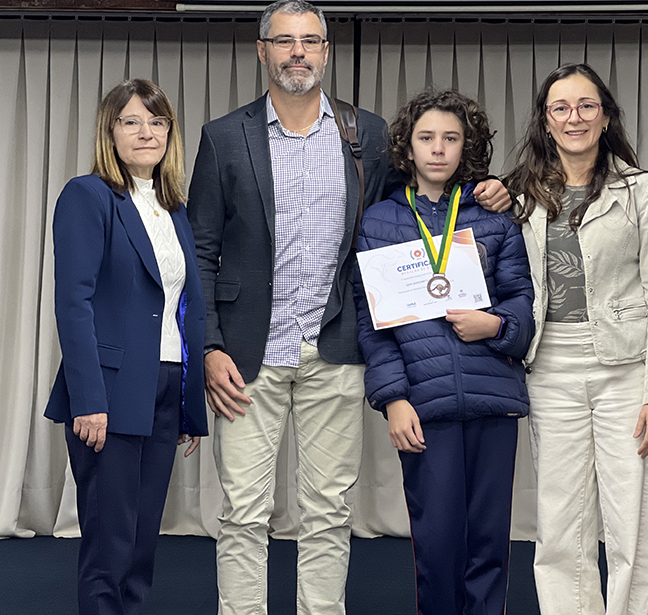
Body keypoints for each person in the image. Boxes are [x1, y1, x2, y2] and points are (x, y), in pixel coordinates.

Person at [185, 2, 510, 613]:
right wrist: (208, 346)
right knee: (244, 513)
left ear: (326, 51)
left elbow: (415, 212)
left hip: (336, 349)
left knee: (328, 513)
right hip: (246, 357)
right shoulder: (224, 137)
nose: (298, 52)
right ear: (263, 50)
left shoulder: (368, 134)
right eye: (286, 41)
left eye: (311, 41)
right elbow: (201, 250)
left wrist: (487, 190)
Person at [506, 63, 648, 615]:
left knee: (631, 519)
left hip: (628, 367)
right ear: (546, 121)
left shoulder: (642, 189)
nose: (574, 117)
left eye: (586, 105)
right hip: (549, 365)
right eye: (560, 107)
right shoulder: (519, 194)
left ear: (605, 117)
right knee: (560, 522)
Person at [353, 89, 534, 615]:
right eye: (426, 137)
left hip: (492, 399)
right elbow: (373, 324)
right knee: (436, 543)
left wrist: (496, 326)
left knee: (489, 541)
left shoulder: (494, 216)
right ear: (406, 147)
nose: (438, 149)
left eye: (451, 138)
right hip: (423, 405)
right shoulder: (379, 221)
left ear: (466, 146)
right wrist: (393, 400)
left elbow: (522, 301)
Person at [43, 78, 207, 615]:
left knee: (141, 542)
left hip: (166, 384)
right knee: (110, 540)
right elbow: (74, 305)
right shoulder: (88, 196)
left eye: (157, 122)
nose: (146, 133)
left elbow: (183, 306)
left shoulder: (174, 209)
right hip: (110, 391)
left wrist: (187, 400)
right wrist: (89, 399)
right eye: (131, 121)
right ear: (109, 131)